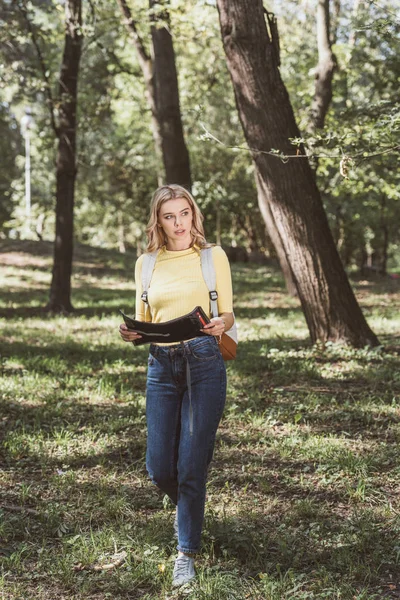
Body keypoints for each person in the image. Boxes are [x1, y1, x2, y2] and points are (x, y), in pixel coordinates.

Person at [119, 184, 234, 587]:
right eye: (170, 216)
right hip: (161, 367)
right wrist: (131, 333)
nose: (179, 222)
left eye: (184, 213)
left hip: (204, 362)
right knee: (157, 468)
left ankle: (186, 552)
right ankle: (191, 505)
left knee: (189, 465)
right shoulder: (146, 263)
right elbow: (143, 317)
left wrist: (223, 324)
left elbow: (229, 314)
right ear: (158, 221)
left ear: (193, 214)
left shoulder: (211, 256)